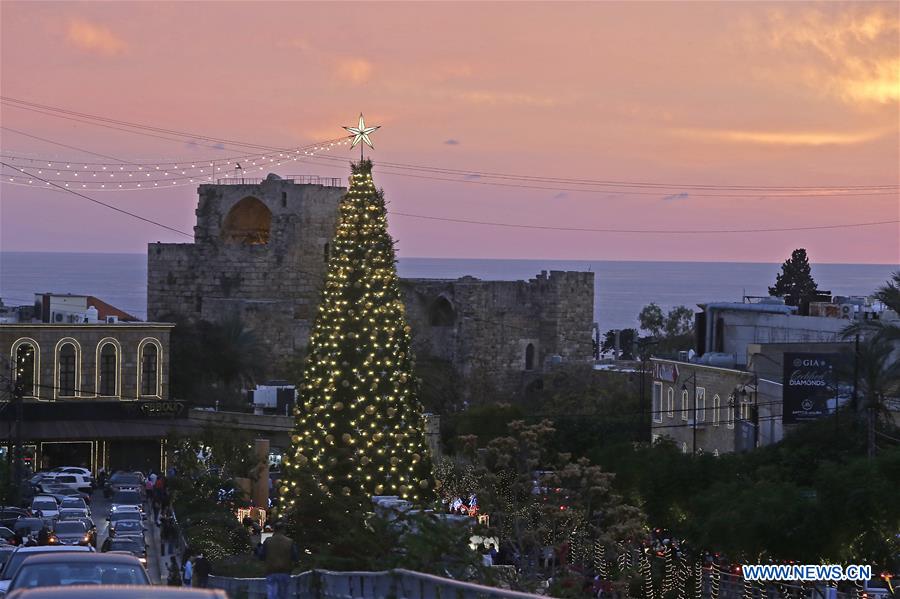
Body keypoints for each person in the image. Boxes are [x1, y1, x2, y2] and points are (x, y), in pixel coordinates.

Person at [257, 521, 298, 599]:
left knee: (272, 594)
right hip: (285, 572)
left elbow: (261, 556)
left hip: (271, 571)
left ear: (274, 530)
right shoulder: (289, 542)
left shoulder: (268, 541)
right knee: (284, 595)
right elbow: (295, 557)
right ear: (283, 530)